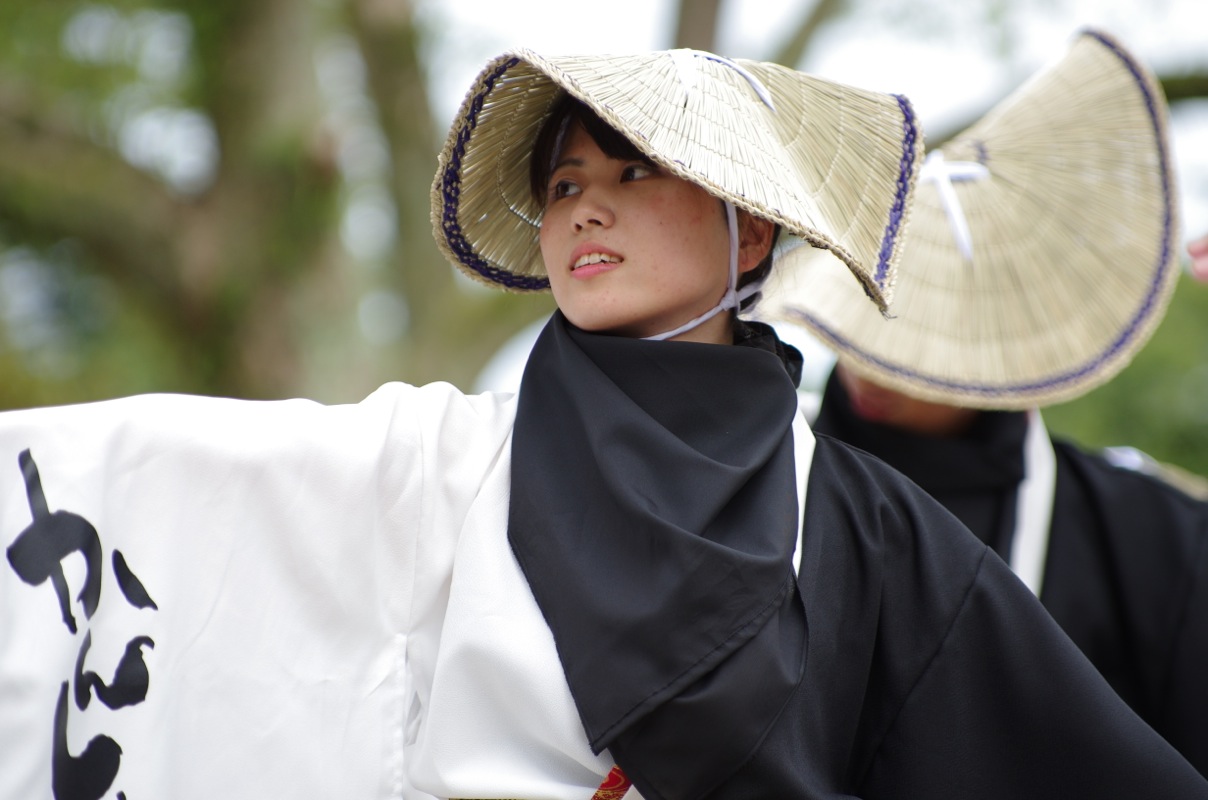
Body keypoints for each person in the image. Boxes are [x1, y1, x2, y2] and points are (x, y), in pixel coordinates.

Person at [2, 45, 1206, 800]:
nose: (585, 207)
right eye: (565, 183)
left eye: (636, 173)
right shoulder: (446, 459)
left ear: (749, 231)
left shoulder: (863, 523)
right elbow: (166, 467)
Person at [764, 28, 1208, 778]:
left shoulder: (1153, 538)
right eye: (859, 324)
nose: (875, 367)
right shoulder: (752, 484)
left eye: (912, 345)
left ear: (995, 337)